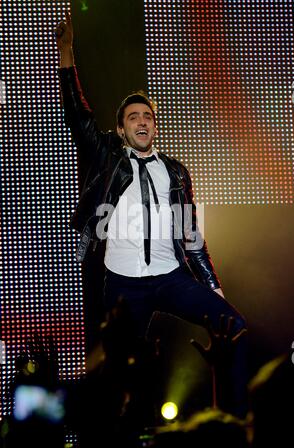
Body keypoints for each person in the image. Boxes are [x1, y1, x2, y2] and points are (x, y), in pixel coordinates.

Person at [55, 11, 248, 418]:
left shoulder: (175, 170)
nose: (141, 122)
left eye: (147, 117)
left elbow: (191, 234)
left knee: (236, 330)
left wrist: (212, 286)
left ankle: (234, 423)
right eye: (133, 118)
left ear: (155, 127)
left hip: (171, 277)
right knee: (119, 371)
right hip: (124, 285)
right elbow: (78, 112)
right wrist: (66, 51)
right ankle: (119, 444)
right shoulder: (107, 156)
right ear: (121, 130)